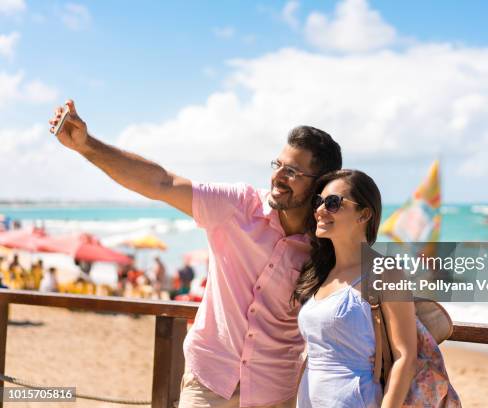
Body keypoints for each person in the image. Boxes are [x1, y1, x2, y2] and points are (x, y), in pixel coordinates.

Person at [48, 100, 342, 407]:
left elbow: (377, 271)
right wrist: (87, 145)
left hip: (275, 394)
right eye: (278, 165)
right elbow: (162, 182)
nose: (279, 176)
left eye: (293, 171)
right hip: (208, 384)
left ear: (320, 184)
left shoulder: (327, 241)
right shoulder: (239, 205)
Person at [292, 170, 417, 408]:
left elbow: (405, 357)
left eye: (332, 203)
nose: (319, 209)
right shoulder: (321, 273)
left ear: (364, 214)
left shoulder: (386, 272)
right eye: (319, 201)